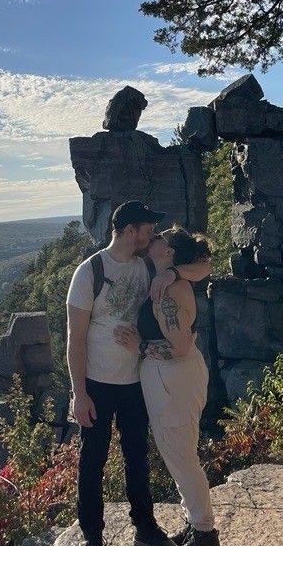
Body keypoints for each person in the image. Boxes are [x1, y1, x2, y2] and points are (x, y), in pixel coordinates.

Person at [66, 201, 211, 546]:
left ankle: (145, 528)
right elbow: (75, 337)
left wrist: (173, 273)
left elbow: (205, 265)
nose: (153, 234)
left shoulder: (148, 265)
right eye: (148, 228)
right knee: (92, 462)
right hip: (98, 384)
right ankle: (92, 538)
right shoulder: (90, 272)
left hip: (136, 381)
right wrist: (79, 392)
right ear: (130, 230)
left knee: (137, 457)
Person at [115, 226, 219, 545]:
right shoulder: (167, 277)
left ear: (169, 251)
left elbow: (180, 347)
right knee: (179, 453)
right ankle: (196, 521)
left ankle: (204, 533)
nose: (154, 237)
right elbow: (205, 264)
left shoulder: (169, 290)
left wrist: (141, 348)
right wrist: (172, 272)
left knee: (181, 457)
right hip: (173, 378)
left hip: (170, 378)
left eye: (160, 237)